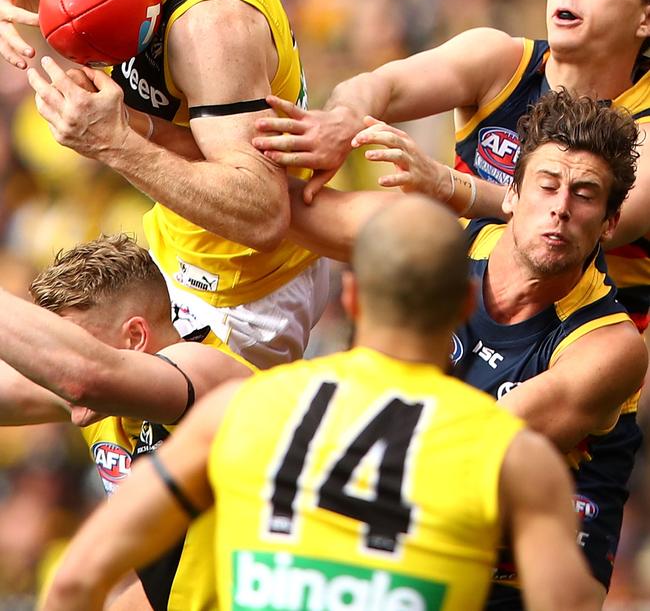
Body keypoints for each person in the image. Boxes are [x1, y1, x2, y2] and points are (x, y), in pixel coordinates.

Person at [39, 196, 601, 611]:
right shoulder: (510, 455)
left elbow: (73, 583)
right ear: (462, 306)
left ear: (351, 296)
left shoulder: (241, 408)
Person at [0, 0, 328, 369]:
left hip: (244, 295)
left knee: (79, 384)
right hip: (175, 248)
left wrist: (114, 142)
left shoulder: (214, 24)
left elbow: (262, 212)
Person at [285, 88, 648, 609]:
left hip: (516, 582)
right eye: (546, 186)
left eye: (585, 195)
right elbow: (282, 210)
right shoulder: (436, 245)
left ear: (609, 225)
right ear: (510, 195)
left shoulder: (610, 345)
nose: (561, 208)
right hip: (409, 535)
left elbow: (470, 453)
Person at [252, 0, 650, 329]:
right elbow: (378, 85)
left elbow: (598, 218)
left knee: (429, 223)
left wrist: (447, 184)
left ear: (645, 19)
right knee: (263, 187)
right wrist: (343, 120)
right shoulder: (500, 59)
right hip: (453, 304)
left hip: (571, 339)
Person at [0, 233, 252, 611]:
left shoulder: (206, 371)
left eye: (72, 345)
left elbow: (83, 376)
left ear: (135, 337)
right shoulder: (99, 399)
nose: (52, 368)